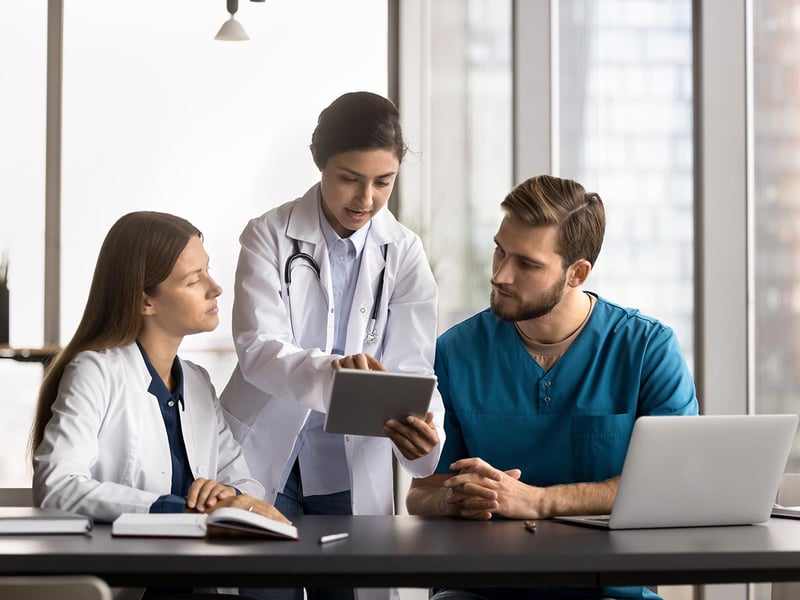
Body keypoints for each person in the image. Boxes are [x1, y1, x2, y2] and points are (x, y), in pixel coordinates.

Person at [406, 174, 698, 600]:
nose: (501, 274)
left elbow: (672, 485)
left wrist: (538, 501)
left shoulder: (646, 349)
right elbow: (421, 493)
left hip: (609, 590)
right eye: (499, 251)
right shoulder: (454, 351)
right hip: (481, 589)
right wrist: (450, 501)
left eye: (527, 264)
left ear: (576, 273)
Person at [220, 91, 445, 600]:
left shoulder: (404, 253)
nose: (366, 199)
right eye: (349, 178)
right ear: (319, 162)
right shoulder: (268, 235)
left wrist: (426, 430)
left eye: (383, 182)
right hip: (263, 456)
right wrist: (336, 373)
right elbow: (257, 347)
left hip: (346, 461)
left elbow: (411, 367)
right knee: (262, 593)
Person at [31, 211, 287, 528]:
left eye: (208, 271)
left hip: (199, 568)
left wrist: (226, 496)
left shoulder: (197, 382)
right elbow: (58, 486)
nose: (215, 288)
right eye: (193, 280)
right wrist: (179, 509)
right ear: (146, 302)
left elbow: (244, 483)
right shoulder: (94, 372)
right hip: (129, 570)